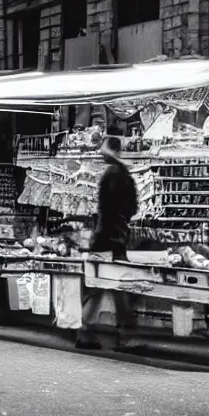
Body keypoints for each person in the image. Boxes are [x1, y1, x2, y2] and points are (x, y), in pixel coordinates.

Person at [76, 134, 140, 350]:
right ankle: (126, 335)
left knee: (97, 286)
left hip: (103, 238)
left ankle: (85, 332)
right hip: (114, 239)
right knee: (119, 285)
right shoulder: (120, 173)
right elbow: (130, 208)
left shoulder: (111, 173)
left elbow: (107, 208)